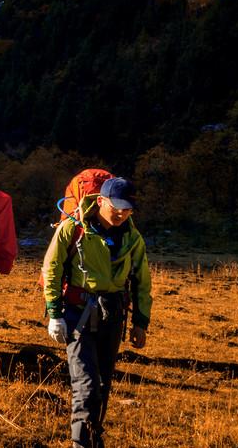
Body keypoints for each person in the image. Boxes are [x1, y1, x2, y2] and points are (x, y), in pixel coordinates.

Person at [42, 177, 152, 448]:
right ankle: (81, 444)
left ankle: (93, 438)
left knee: (103, 386)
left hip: (112, 317)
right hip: (77, 316)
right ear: (100, 201)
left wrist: (140, 322)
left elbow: (142, 280)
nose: (121, 213)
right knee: (87, 386)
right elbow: (52, 268)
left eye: (127, 209)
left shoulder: (132, 237)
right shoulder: (73, 229)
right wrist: (54, 313)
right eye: (116, 206)